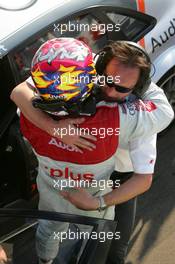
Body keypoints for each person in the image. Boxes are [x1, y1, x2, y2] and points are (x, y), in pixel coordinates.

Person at [10, 38, 174, 264]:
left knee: (55, 232)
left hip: (76, 188)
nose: (110, 90)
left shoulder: (31, 115)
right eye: (106, 80)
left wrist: (54, 128)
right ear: (93, 73)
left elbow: (19, 92)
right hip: (100, 194)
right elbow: (165, 113)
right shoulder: (121, 118)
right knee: (104, 248)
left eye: (121, 88)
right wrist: (96, 204)